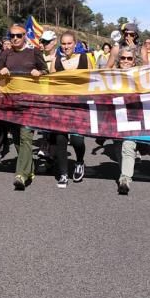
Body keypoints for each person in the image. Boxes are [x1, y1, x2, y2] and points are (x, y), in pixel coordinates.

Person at [0, 23, 46, 190]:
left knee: (26, 136)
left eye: (19, 35)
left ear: (25, 35)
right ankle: (30, 168)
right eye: (12, 36)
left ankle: (21, 174)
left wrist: (39, 73)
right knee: (17, 138)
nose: (15, 39)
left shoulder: (34, 52)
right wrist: (2, 71)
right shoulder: (5, 54)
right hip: (11, 102)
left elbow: (46, 72)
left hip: (29, 102)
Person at [48, 31, 88, 188]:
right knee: (60, 139)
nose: (66, 47)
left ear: (75, 43)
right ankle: (63, 173)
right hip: (60, 105)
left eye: (69, 43)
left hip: (79, 106)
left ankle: (79, 162)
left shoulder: (85, 59)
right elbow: (49, 82)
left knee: (77, 140)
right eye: (63, 44)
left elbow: (91, 80)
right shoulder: (56, 61)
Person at [115, 45, 141, 195]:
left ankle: (125, 179)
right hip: (115, 118)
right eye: (123, 58)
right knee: (118, 147)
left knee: (129, 145)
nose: (125, 61)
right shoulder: (110, 75)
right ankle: (124, 171)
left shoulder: (141, 76)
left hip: (132, 116)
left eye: (129, 58)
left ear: (134, 61)